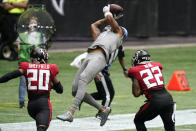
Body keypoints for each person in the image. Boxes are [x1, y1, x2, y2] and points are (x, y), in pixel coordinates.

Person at [57, 4, 128, 126]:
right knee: (75, 89)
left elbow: (112, 22)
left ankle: (70, 113)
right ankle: (103, 109)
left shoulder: (119, 33)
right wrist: (107, 17)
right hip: (90, 55)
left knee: (83, 79)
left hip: (100, 57)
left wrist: (108, 14)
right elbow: (94, 25)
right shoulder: (102, 36)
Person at [0, 47, 63, 131]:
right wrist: (50, 85)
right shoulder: (51, 68)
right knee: (41, 128)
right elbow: (60, 90)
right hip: (43, 105)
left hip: (31, 106)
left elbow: (10, 76)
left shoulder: (26, 67)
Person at [128, 50, 175, 131]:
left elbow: (136, 93)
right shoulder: (157, 65)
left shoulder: (134, 70)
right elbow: (159, 84)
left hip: (155, 101)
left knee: (138, 120)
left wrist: (141, 87)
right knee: (169, 125)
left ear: (138, 60)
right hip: (168, 99)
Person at [91, 45, 128, 118]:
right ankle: (102, 113)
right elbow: (95, 56)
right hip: (99, 70)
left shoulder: (119, 46)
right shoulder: (108, 44)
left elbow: (120, 57)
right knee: (108, 95)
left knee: (104, 94)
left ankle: (83, 97)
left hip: (104, 71)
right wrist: (95, 72)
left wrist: (124, 69)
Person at [17, 16, 46, 108]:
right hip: (24, 63)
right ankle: (22, 102)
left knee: (36, 83)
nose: (33, 24)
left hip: (36, 64)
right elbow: (18, 47)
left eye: (34, 23)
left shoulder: (41, 36)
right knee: (23, 83)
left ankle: (35, 100)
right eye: (31, 22)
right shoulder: (22, 35)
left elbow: (43, 49)